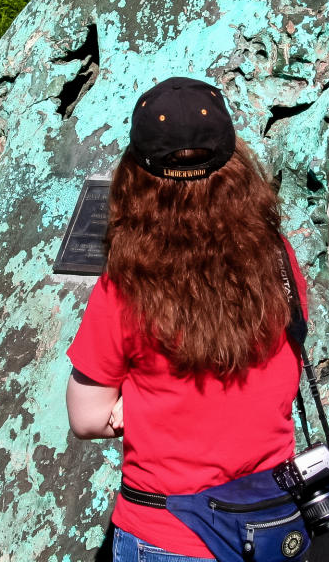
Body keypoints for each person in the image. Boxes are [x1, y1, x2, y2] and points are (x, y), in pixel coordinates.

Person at [65, 77, 308, 561]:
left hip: (168, 528)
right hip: (272, 519)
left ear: (135, 175)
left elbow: (87, 416)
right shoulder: (278, 259)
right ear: (234, 164)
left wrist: (133, 400)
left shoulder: (127, 282)